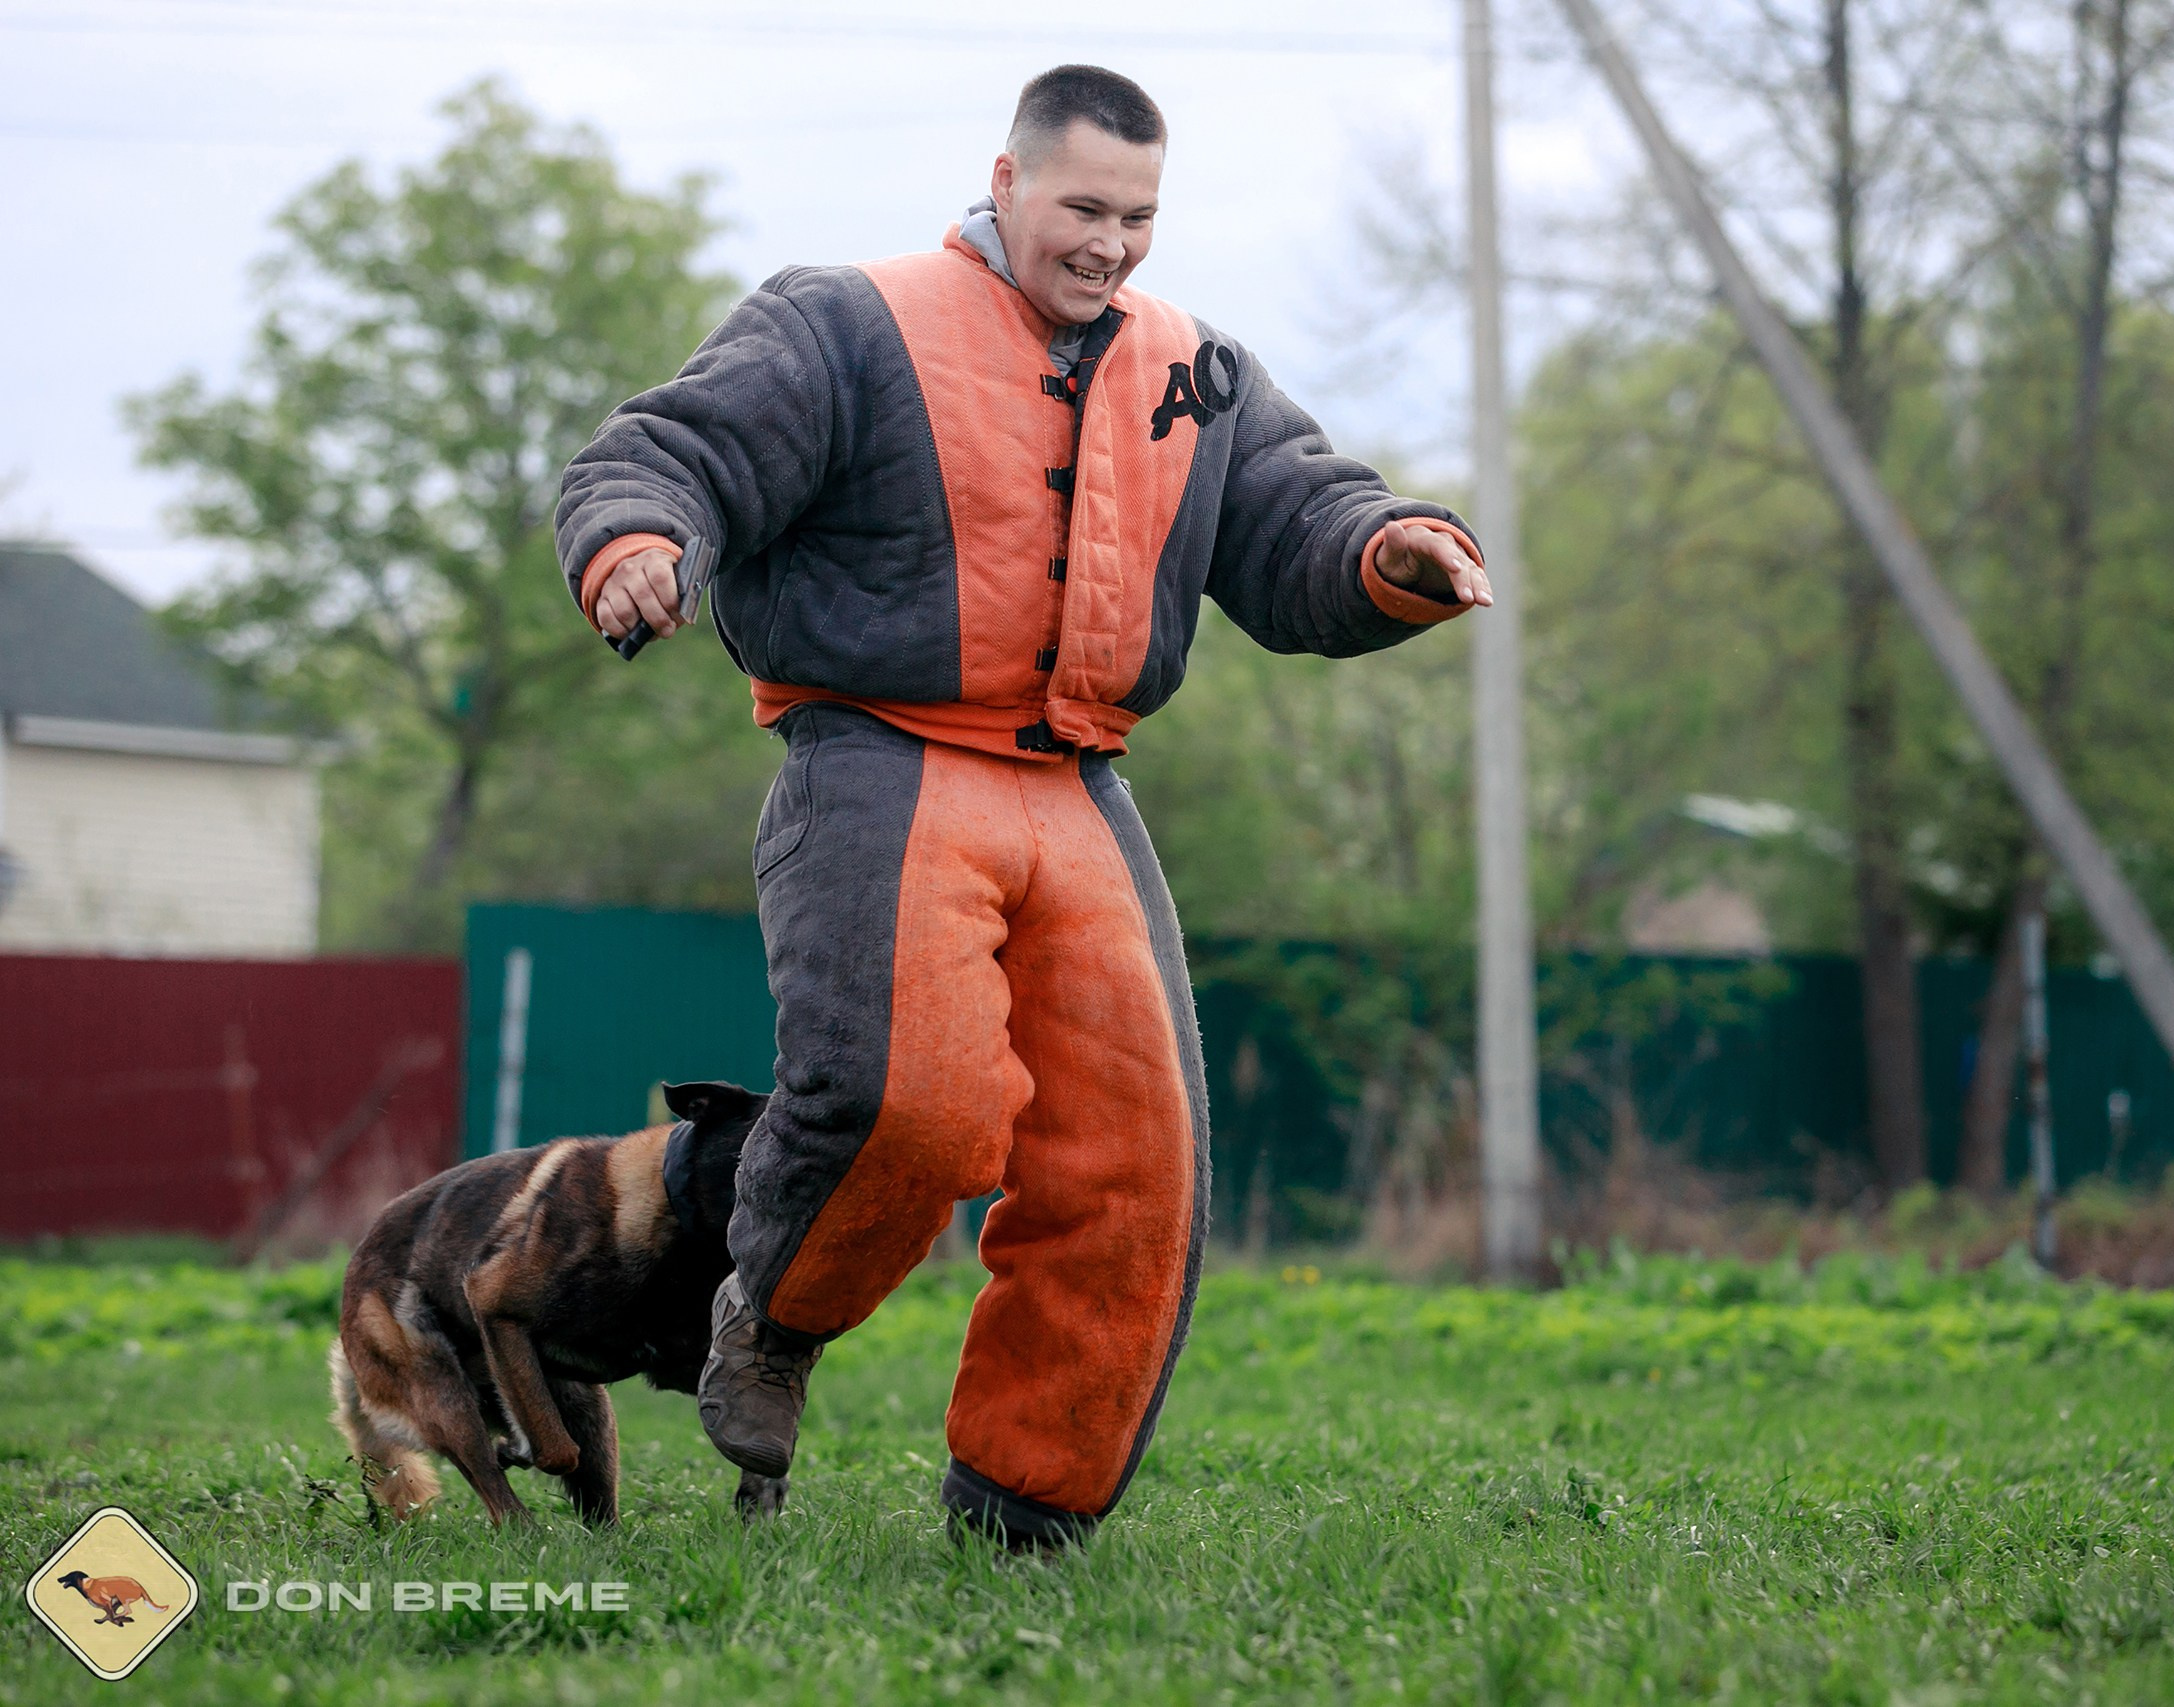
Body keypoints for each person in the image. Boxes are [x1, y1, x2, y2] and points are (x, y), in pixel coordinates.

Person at [553, 65, 1489, 1549]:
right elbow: (666, 453)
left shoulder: (1197, 370)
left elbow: (1305, 515)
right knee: (913, 1104)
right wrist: (635, 544)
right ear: (1005, 182)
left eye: (1138, 215)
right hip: (880, 760)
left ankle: (1026, 1511)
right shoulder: (845, 321)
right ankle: (769, 1314)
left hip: (1078, 786)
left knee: (1140, 1164)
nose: (1111, 243)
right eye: (1083, 208)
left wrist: (1395, 554)